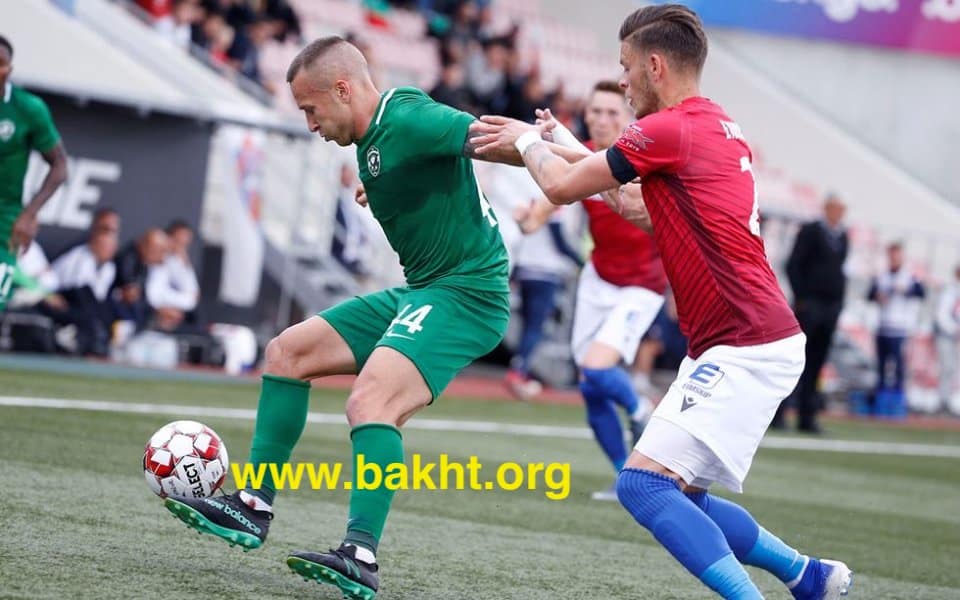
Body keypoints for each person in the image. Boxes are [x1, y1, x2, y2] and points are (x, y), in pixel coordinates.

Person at [469, 5, 852, 598]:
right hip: (741, 338)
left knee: (642, 486)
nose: (622, 82)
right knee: (684, 496)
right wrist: (560, 143)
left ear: (654, 66)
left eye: (625, 67)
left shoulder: (667, 129)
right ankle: (807, 575)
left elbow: (560, 188)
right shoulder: (714, 123)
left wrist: (526, 142)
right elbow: (636, 205)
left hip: (745, 342)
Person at [163, 36, 520, 600]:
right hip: (423, 290)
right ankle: (252, 506)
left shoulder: (408, 116)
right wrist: (380, 187)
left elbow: (491, 139)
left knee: (370, 402)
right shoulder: (372, 141)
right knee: (287, 353)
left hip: (466, 294)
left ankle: (360, 555)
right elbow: (416, 174)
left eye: (311, 109)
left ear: (343, 89)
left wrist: (570, 158)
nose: (309, 124)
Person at [516, 81, 667, 500]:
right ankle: (626, 480)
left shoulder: (643, 159)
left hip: (643, 285)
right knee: (589, 386)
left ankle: (641, 409)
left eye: (611, 113)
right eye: (595, 112)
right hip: (599, 279)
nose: (601, 120)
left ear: (628, 118)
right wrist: (527, 219)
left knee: (598, 369)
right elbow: (544, 208)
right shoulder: (582, 157)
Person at [0, 35, 68, 312]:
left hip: (5, 217)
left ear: (9, 70)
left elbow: (59, 165)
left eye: (0, 64)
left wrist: (29, 214)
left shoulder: (27, 108)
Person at [775, 194, 848, 433]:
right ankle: (779, 414)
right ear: (827, 208)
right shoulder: (811, 231)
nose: (839, 214)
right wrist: (802, 298)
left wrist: (837, 304)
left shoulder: (842, 236)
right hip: (810, 306)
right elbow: (793, 264)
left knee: (817, 364)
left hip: (830, 308)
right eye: (836, 208)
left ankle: (807, 416)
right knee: (795, 361)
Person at [867, 242, 925, 410]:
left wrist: (906, 290)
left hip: (900, 328)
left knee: (898, 367)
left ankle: (897, 402)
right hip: (883, 326)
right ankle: (880, 402)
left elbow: (921, 292)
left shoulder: (908, 276)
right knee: (881, 366)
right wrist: (878, 296)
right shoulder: (882, 276)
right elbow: (870, 295)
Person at [935, 264, 960, 412]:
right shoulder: (950, 290)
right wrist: (954, 329)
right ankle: (943, 401)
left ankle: (950, 400)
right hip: (946, 335)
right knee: (947, 367)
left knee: (953, 369)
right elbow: (942, 315)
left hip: (954, 336)